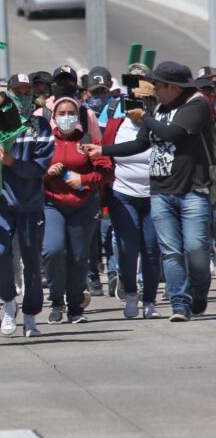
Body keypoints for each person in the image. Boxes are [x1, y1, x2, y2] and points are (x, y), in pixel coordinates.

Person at [87, 61, 213, 322]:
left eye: (158, 84)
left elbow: (172, 133)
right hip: (161, 192)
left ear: (173, 87)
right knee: (171, 251)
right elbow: (140, 143)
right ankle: (180, 305)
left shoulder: (196, 105)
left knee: (195, 249)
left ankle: (199, 290)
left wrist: (144, 117)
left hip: (192, 190)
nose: (153, 88)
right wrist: (103, 150)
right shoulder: (157, 108)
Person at [0, 74, 54, 337]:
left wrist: (13, 164)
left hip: (30, 203)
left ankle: (30, 317)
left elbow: (41, 167)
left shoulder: (41, 125)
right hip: (1, 202)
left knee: (31, 260)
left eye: (28, 91)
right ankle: (8, 304)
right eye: (18, 91)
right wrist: (0, 97)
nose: (23, 96)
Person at [41, 97, 113, 325]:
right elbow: (30, 171)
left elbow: (107, 172)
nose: (66, 117)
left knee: (79, 257)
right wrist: (48, 173)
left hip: (83, 206)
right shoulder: (46, 141)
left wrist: (83, 178)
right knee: (53, 250)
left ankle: (75, 306)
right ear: (53, 117)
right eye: (61, 113)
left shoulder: (87, 141)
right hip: (51, 203)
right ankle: (55, 302)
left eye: (71, 112)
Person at [97, 78, 159, 319]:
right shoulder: (116, 126)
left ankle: (150, 300)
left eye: (145, 101)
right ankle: (131, 293)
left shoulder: (157, 125)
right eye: (134, 100)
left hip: (154, 196)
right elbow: (104, 153)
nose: (138, 106)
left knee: (152, 249)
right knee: (128, 247)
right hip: (123, 194)